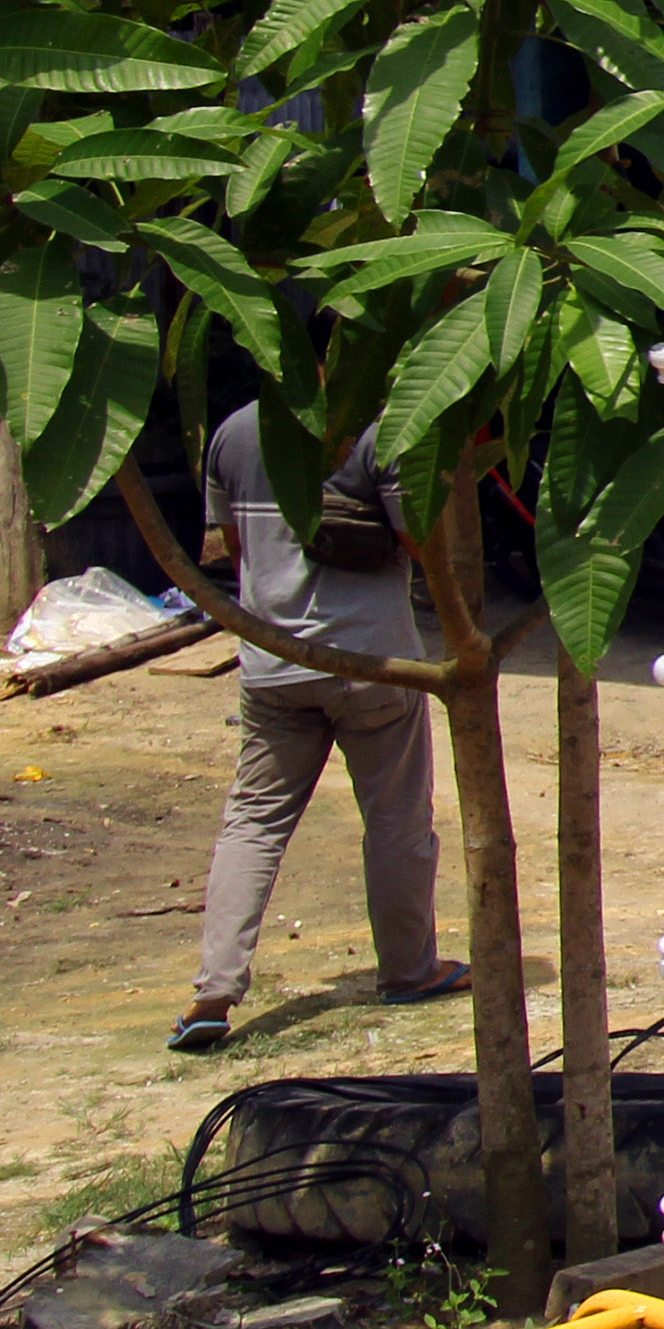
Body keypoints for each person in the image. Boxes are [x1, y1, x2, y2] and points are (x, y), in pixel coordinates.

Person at [174, 405, 464, 1052]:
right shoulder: (379, 429)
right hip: (375, 662)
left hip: (275, 664)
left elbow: (234, 548)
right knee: (396, 819)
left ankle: (214, 993)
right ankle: (410, 971)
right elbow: (421, 544)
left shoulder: (233, 431)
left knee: (253, 822)